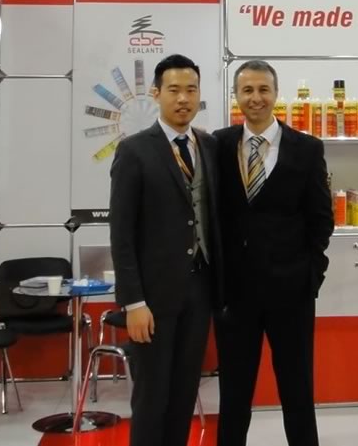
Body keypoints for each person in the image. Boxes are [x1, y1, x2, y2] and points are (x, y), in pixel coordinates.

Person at [215, 60, 334, 446]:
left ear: (276, 94)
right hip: (234, 295)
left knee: (297, 392)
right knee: (234, 395)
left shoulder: (307, 149)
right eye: (247, 90)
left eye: (263, 89)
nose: (256, 98)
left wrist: (310, 275)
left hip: (291, 292)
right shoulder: (217, 145)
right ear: (236, 96)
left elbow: (321, 220)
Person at [109, 54, 222, 446]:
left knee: (184, 394)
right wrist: (133, 302)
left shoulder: (208, 146)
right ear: (156, 94)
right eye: (174, 90)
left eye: (191, 90)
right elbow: (121, 233)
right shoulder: (135, 150)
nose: (183, 98)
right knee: (152, 397)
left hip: (199, 292)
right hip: (152, 300)